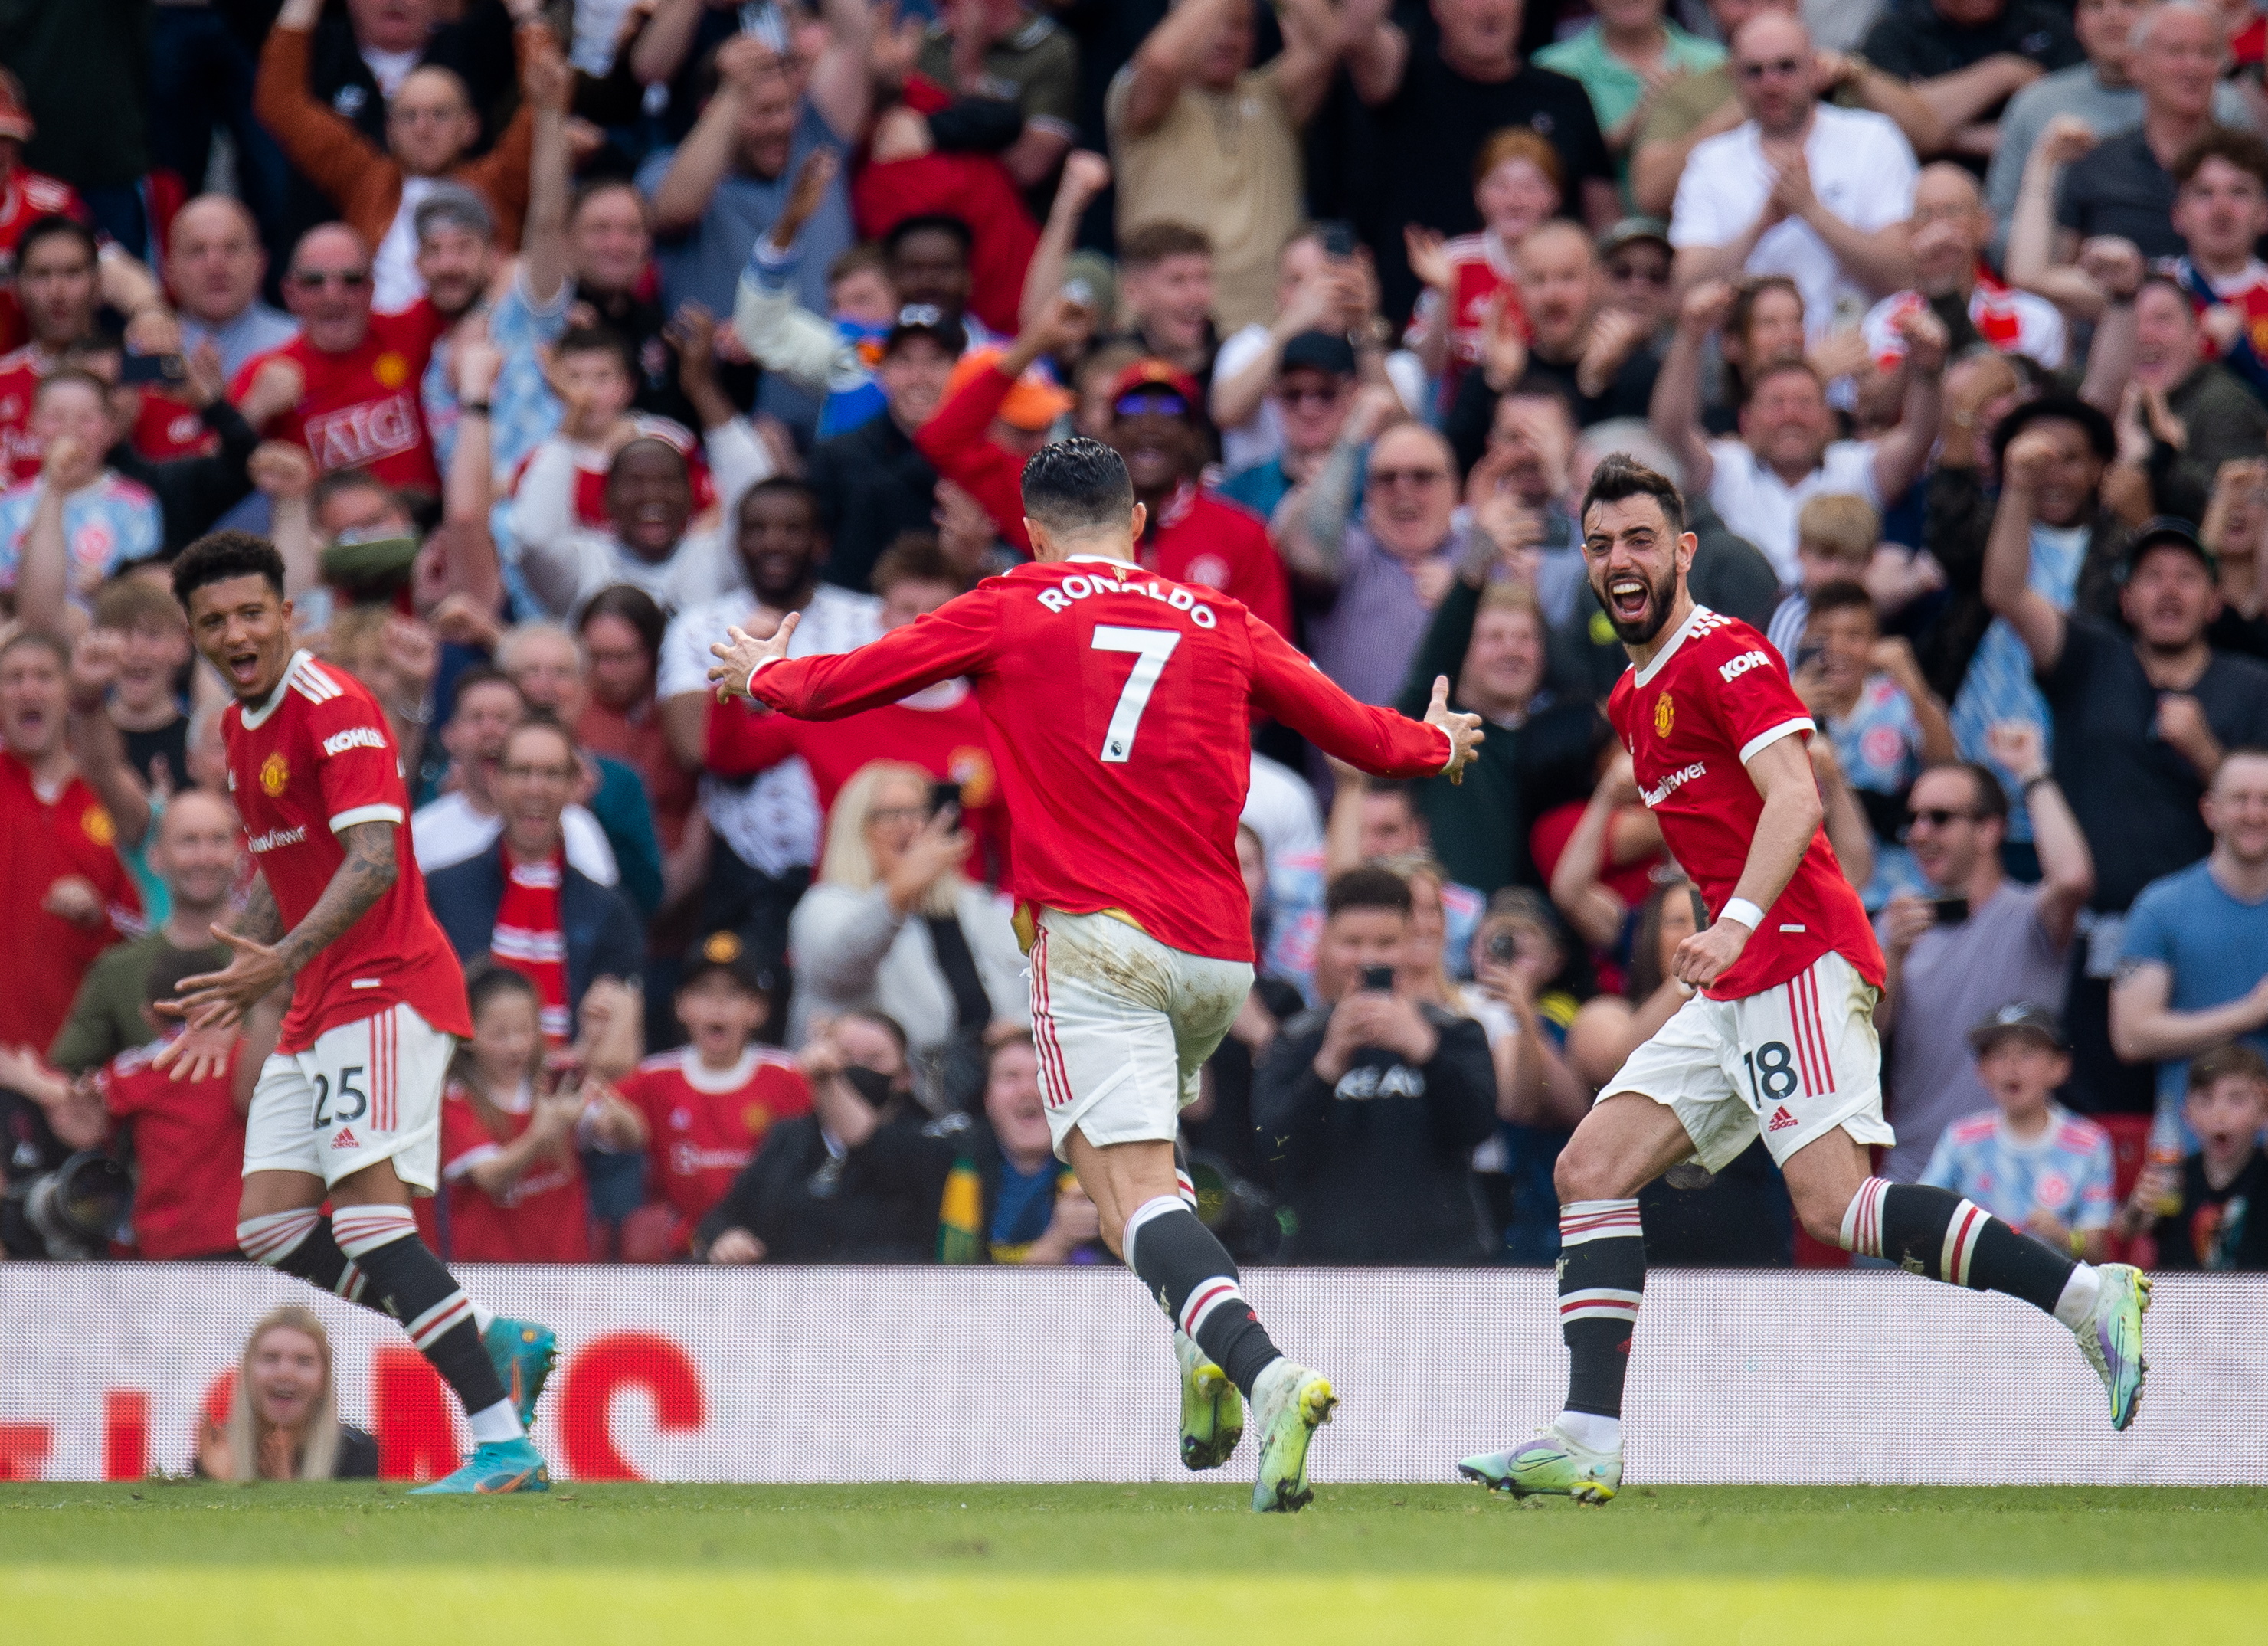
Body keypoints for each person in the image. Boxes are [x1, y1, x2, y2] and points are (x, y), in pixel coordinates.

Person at [708, 435, 1484, 1513]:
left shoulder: (1011, 601)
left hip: (1098, 944)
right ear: (1135, 524)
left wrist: (763, 674)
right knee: (1140, 1191)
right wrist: (1434, 743)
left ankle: (1263, 1374)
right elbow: (1355, 730)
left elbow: (850, 684)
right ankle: (1199, 1364)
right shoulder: (1220, 619)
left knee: (1121, 1202)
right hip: (1218, 955)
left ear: (1030, 529)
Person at [1455, 456, 2149, 1506]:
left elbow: (1795, 798)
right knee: (1588, 1168)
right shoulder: (1633, 693)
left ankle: (2086, 1294)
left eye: (1639, 540)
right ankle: (1588, 1434)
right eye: (1599, 546)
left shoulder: (1727, 654)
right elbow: (1713, 834)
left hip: (1796, 958)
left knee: (1835, 1206)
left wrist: (1733, 924)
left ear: (1683, 550)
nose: (1619, 562)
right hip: (1734, 982)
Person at [158, 530, 553, 1495]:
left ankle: (505, 1447)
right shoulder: (239, 730)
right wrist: (237, 973)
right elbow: (285, 870)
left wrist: (274, 967)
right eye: (214, 621)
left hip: (385, 985)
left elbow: (373, 860)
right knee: (271, 1229)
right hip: (317, 996)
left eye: (253, 612)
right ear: (196, 636)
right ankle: (490, 1337)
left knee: (375, 1223)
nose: (236, 632)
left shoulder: (336, 708)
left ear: (290, 613)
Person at [1985, 502, 2268, 1115]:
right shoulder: (2090, 658)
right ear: (2126, 600)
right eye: (2151, 576)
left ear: (2215, 601)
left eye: (2187, 576)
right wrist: (2018, 484)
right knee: (2095, 1112)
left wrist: (2205, 754)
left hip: (2207, 938)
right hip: (2093, 937)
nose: (2168, 589)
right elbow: (2005, 590)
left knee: (2208, 1107)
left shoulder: (2250, 686)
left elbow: (2258, 808)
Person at [656, 476, 882, 978]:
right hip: (742, 863)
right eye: (757, 529)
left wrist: (758, 695)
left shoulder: (869, 621)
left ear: (820, 541)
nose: (773, 542)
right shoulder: (699, 625)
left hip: (856, 859)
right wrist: (816, 704)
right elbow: (695, 745)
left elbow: (886, 731)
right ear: (736, 541)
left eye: (791, 529)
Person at [1252, 866, 1498, 1264]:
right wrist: (1328, 1064)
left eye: (1386, 943)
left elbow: (1477, 1128)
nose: (1368, 958)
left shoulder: (1457, 1033)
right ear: (1325, 944)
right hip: (1319, 1270)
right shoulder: (1294, 1040)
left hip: (1441, 1267)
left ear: (1411, 946)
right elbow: (1273, 1151)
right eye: (1352, 942)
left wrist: (1424, 1050)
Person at [1876, 738, 2094, 1182]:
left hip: (2012, 1180)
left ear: (1989, 831)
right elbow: (1868, 1038)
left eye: (1939, 818)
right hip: (1915, 1173)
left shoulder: (2029, 914)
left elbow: (2072, 878)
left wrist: (2033, 772)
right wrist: (1893, 956)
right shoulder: (1896, 924)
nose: (1919, 833)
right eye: (1913, 818)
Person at [1652, 279, 1946, 588]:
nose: (1791, 415)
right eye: (1776, 404)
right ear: (1747, 420)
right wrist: (1690, 336)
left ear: (1828, 417)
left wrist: (1927, 370)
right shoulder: (1728, 467)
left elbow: (1918, 437)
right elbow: (1672, 428)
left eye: (1805, 403)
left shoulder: (1853, 465)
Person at [253, 0, 542, 312]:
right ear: (389, 130)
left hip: (475, 337)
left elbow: (547, 103)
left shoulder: (499, 181)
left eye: (440, 115)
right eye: (409, 116)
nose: (424, 128)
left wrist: (528, 15)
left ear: (470, 126)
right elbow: (281, 102)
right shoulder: (366, 179)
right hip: (383, 347)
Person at [1352, 0, 1619, 322]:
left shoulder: (1564, 95)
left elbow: (1606, 227)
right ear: (1436, 8)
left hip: (1544, 337)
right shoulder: (1403, 77)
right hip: (1421, 332)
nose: (1490, 8)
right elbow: (1356, 29)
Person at [787, 760, 1027, 1108]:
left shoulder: (972, 904)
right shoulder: (826, 904)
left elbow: (1036, 978)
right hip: (872, 1106)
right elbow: (838, 966)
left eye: (918, 813)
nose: (908, 826)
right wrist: (897, 895)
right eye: (890, 815)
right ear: (856, 828)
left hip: (977, 1100)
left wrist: (1017, 1026)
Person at [0, 944, 260, 1261]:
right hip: (252, 1233)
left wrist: (23, 1074)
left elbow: (78, 1097)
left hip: (173, 1243)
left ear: (149, 1016)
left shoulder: (153, 1064)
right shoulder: (250, 1056)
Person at [1670, 12, 1919, 344]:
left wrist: (1811, 210)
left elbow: (1904, 274)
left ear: (1815, 69)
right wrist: (1759, 226)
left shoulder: (1873, 138)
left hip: (1863, 353)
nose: (1770, 84)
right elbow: (1685, 291)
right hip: (1751, 367)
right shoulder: (1710, 160)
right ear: (1733, 77)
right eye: (1754, 71)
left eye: (1786, 67)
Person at [1106, 0, 1340, 332]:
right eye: (1214, 23)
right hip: (1168, 338)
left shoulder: (1271, 96)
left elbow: (1327, 42)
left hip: (1270, 338)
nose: (1227, 38)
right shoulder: (1141, 94)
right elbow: (1161, 62)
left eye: (1240, 25)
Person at [424, 715, 648, 1046]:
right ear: (495, 781)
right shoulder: (442, 892)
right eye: (521, 772)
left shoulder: (609, 909)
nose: (535, 788)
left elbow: (620, 1047)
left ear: (575, 785)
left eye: (552, 774)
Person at [639, 18, 873, 328]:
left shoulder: (815, 145)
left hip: (831, 372)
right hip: (721, 375)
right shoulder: (665, 170)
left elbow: (854, 42)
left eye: (787, 106)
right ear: (712, 108)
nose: (781, 124)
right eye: (764, 111)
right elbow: (675, 209)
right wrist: (734, 89)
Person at [692, 1008, 961, 1263]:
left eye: (874, 1059)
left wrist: (827, 1080)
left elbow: (866, 1139)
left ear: (904, 1076)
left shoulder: (929, 1139)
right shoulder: (789, 1136)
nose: (855, 1068)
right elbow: (722, 1216)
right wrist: (725, 1237)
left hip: (886, 1300)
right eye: (844, 1055)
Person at [610, 931, 812, 1255]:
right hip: (684, 1253)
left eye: (733, 993)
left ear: (758, 1010)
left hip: (768, 1249)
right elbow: (595, 1115)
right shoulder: (654, 1077)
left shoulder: (788, 1075)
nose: (717, 1006)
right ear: (681, 1006)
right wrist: (611, 1121)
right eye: (703, 992)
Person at [2110, 749, 2268, 1138]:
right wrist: (2247, 1014)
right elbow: (2131, 1035)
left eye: (2266, 800)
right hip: (2190, 1153)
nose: (2255, 814)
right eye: (2240, 799)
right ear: (2210, 810)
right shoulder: (2162, 907)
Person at [0, 632, 142, 1056]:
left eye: (44, 676)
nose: (28, 689)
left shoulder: (106, 795)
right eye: (13, 678)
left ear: (68, 693)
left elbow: (142, 926)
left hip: (84, 1060)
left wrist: (96, 916)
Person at [228, 224, 447, 497]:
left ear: (371, 289)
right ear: (290, 293)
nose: (333, 295)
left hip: (422, 519)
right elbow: (205, 474)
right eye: (314, 281)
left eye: (351, 279)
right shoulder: (264, 372)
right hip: (327, 534)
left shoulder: (411, 331)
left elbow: (495, 292)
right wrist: (253, 410)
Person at [439, 965, 633, 1265]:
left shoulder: (556, 1080)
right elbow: (491, 1177)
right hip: (493, 1279)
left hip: (567, 1272)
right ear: (467, 1034)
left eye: (525, 1030)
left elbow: (635, 1135)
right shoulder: (457, 1099)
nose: (516, 1046)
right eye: (499, 1035)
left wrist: (614, 1115)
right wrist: (540, 1136)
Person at [47, 790, 237, 1077]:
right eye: (189, 841)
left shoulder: (277, 951)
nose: (205, 857)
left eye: (219, 840)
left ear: (238, 853)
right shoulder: (119, 968)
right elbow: (65, 1074)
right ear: (155, 857)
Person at [1793, 581, 1956, 905]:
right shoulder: (1783, 702)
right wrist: (1789, 710)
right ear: (1805, 641)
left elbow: (1946, 767)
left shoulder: (1896, 702)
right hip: (1818, 891)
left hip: (1901, 889)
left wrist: (1911, 681)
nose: (1837, 648)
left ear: (1876, 644)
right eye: (1824, 636)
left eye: (1854, 636)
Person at [1922, 1003, 2116, 1263]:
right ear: (1980, 1071)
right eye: (1998, 1055)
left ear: (2059, 1067)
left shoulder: (2089, 1143)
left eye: (2027, 1054)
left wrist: (2061, 1235)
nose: (2011, 1066)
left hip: (2056, 1292)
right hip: (1976, 1289)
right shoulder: (1961, 1137)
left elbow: (2097, 1249)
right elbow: (1922, 1217)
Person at [410, 668, 619, 886]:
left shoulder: (576, 827)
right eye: (476, 718)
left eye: (503, 718)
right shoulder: (422, 831)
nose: (490, 730)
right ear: (450, 736)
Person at [804, 306, 961, 597]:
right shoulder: (836, 457)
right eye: (904, 360)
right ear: (882, 372)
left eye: (937, 360)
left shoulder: (987, 457)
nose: (919, 377)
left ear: (960, 371)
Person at [1861, 165, 2067, 373]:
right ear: (1908, 232)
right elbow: (1874, 402)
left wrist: (1943, 295)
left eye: (1952, 211)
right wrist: (1918, 357)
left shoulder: (2036, 318)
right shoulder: (1881, 320)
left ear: (1984, 226)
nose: (1938, 228)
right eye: (1925, 215)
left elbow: (2020, 394)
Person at [1861, 0, 2082, 171]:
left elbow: (2067, 128)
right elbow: (1894, 133)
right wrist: (2005, 73)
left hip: (2029, 181)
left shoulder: (2048, 25)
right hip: (1925, 186)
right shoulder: (1893, 37)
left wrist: (1935, 133)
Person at [1535, 0, 1728, 191]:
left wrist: (1680, 110)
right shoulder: (1553, 70)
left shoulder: (1716, 63)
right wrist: (1634, 125)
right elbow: (1541, 171)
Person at [2112, 1042, 2268, 1268]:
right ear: (2186, 1114)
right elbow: (2124, 1229)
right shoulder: (2175, 1176)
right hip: (2183, 1300)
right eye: (2206, 1100)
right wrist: (2139, 1206)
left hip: (2256, 1300)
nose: (2219, 1114)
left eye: (2236, 1100)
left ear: (2264, 1113)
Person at [195, 1306, 379, 1481]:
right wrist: (225, 1485)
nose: (285, 1373)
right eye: (270, 1358)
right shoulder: (218, 1448)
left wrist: (284, 1489)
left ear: (324, 1380)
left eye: (304, 1361)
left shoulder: (356, 1454)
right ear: (247, 1374)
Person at [169, 196, 299, 378]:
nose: (215, 264)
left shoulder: (298, 343)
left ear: (259, 264)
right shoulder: (144, 355)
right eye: (197, 250)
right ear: (170, 271)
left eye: (231, 248)